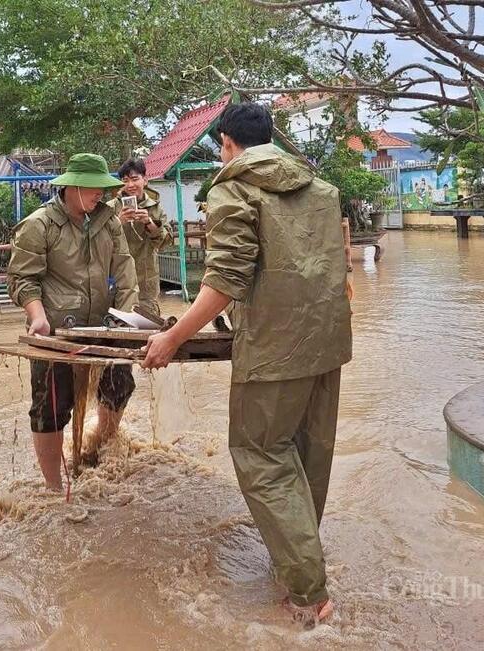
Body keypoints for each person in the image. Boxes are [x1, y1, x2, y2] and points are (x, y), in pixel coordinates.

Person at [141, 103, 352, 625]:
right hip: (327, 343)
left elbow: (224, 282)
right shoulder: (322, 191)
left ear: (227, 144)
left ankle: (309, 594)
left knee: (261, 455)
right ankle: (295, 566)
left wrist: (173, 337)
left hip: (274, 350)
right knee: (308, 456)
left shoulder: (233, 190)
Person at [8, 153, 139, 490]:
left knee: (119, 385)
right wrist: (37, 317)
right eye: (95, 188)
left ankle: (99, 451)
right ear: (73, 187)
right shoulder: (39, 225)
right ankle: (54, 488)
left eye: (102, 189)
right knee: (50, 406)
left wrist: (127, 319)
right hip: (55, 331)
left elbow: (125, 273)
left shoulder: (108, 222)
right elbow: (23, 279)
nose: (101, 194)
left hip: (104, 325)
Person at [108, 158, 173, 316]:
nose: (130, 185)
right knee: (117, 323)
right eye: (125, 180)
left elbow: (165, 242)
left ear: (145, 180)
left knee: (148, 324)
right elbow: (98, 243)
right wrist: (119, 222)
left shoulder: (155, 208)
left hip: (146, 282)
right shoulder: (110, 208)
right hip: (117, 280)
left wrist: (149, 223)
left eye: (135, 179)